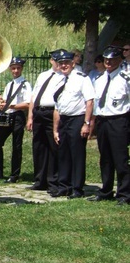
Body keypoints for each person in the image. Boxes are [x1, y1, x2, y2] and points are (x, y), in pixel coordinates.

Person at [88, 46, 130, 205]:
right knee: (105, 157)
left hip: (119, 120)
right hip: (103, 120)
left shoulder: (125, 79)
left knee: (120, 159)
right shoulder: (99, 80)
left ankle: (124, 194)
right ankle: (106, 190)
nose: (108, 62)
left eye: (112, 59)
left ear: (120, 60)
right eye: (106, 59)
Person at [51, 50, 94, 198]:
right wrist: (55, 129)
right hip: (64, 120)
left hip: (77, 119)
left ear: (73, 63)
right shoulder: (59, 80)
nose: (64, 66)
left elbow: (89, 102)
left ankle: (77, 188)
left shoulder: (82, 79)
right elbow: (57, 107)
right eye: (61, 63)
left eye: (67, 63)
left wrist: (86, 123)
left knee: (77, 155)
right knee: (63, 154)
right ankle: (64, 186)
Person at [26, 51, 65, 194]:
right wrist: (30, 116)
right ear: (51, 61)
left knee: (54, 146)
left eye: (60, 61)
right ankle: (40, 180)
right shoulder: (43, 75)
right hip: (39, 111)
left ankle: (53, 180)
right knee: (39, 146)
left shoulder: (63, 77)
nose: (58, 64)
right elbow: (34, 96)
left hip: (52, 112)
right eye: (56, 60)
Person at [0, 57, 32, 183]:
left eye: (18, 68)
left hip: (18, 115)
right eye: (13, 68)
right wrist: (1, 103)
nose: (15, 71)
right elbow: (5, 102)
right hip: (8, 115)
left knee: (16, 145)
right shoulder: (9, 84)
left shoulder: (25, 85)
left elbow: (28, 104)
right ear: (10, 69)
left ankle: (15, 174)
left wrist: (11, 106)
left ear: (21, 69)